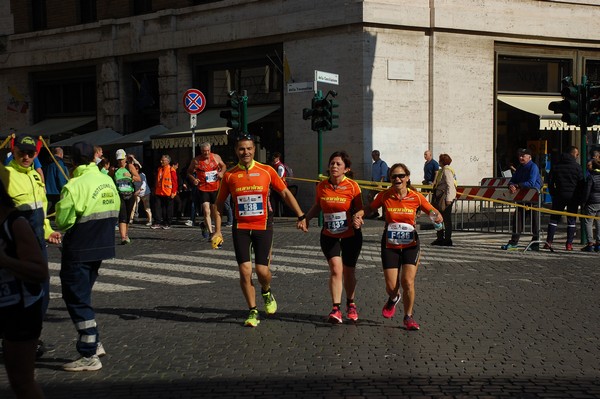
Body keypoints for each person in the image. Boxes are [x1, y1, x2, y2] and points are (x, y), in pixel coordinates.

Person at [211, 134, 307, 327]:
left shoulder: (267, 171)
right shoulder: (230, 175)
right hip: (241, 228)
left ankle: (266, 290)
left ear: (254, 150)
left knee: (262, 271)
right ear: (236, 151)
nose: (245, 152)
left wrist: (301, 215)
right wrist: (218, 231)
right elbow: (219, 204)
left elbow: (285, 193)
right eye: (241, 149)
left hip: (263, 226)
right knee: (245, 271)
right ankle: (253, 310)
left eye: (248, 148)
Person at [55, 141, 120, 372]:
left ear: (71, 161)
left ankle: (89, 353)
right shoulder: (106, 180)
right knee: (83, 295)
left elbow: (63, 221)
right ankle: (95, 342)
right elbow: (116, 209)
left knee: (75, 298)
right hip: (102, 247)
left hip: (79, 248)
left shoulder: (74, 185)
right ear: (94, 157)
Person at [353, 163, 442, 331]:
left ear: (407, 178)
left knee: (407, 281)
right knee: (391, 286)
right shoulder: (385, 196)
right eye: (394, 176)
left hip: (410, 244)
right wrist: (359, 214)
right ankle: (394, 297)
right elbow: (370, 208)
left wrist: (437, 217)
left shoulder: (416, 197)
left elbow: (433, 212)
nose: (398, 179)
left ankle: (408, 317)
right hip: (390, 244)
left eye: (401, 176)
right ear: (390, 179)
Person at [0, 134, 61, 359]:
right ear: (13, 151)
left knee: (41, 294)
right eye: (21, 152)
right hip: (13, 246)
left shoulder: (36, 177)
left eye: (30, 153)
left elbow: (41, 212)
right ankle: (19, 339)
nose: (26, 157)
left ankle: (31, 336)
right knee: (18, 296)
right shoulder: (5, 175)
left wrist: (48, 231)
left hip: (37, 245)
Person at [0, 170, 48, 398]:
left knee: (21, 382)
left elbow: (40, 272)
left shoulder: (14, 223)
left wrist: (5, 261)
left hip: (20, 308)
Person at [304, 151, 363, 323]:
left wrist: (358, 217)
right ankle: (335, 308)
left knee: (349, 271)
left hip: (351, 234)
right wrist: (306, 219)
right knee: (336, 269)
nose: (334, 167)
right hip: (329, 233)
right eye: (332, 164)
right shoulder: (322, 186)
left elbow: (361, 208)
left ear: (346, 168)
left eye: (338, 164)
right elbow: (317, 205)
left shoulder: (352, 186)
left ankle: (351, 303)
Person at [501, 148, 543, 250]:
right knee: (517, 220)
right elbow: (513, 180)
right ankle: (514, 242)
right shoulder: (520, 167)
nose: (521, 157)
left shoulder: (533, 167)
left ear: (529, 157)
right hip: (522, 198)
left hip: (533, 198)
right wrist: (511, 185)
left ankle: (535, 243)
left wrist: (517, 185)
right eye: (519, 155)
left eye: (523, 156)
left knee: (535, 221)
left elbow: (531, 183)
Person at [544, 146, 584, 251]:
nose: (578, 156)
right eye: (577, 154)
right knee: (572, 220)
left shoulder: (556, 166)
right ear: (573, 154)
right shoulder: (577, 167)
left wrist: (553, 193)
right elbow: (581, 183)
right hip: (573, 197)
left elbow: (550, 182)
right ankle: (569, 244)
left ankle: (549, 242)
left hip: (559, 195)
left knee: (554, 219)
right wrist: (579, 197)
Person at [187, 142, 227, 239]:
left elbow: (224, 166)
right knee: (206, 210)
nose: (206, 153)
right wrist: (194, 179)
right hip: (203, 188)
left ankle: (204, 225)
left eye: (208, 151)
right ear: (201, 151)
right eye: (204, 151)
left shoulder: (216, 157)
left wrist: (221, 173)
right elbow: (189, 172)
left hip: (215, 187)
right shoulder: (196, 160)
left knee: (214, 211)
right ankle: (211, 233)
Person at [113, 148, 140, 244]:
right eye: (118, 159)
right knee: (122, 216)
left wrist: (130, 176)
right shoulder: (115, 169)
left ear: (125, 158)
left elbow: (138, 178)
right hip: (120, 195)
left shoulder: (130, 167)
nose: (120, 161)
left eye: (122, 159)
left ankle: (126, 234)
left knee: (128, 216)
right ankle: (123, 237)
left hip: (130, 194)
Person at [430, 153, 457, 246]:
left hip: (444, 198)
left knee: (445, 219)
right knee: (438, 218)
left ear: (442, 161)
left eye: (439, 160)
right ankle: (440, 238)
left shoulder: (446, 171)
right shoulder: (444, 170)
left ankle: (447, 239)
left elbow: (450, 185)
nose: (438, 161)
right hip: (441, 197)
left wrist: (449, 199)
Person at [151, 154, 178, 230]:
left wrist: (173, 192)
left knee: (168, 209)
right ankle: (158, 222)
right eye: (161, 160)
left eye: (163, 160)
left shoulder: (171, 170)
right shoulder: (159, 169)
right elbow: (157, 180)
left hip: (168, 192)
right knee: (158, 208)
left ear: (168, 161)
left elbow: (175, 182)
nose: (161, 161)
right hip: (159, 192)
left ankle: (167, 223)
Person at [581, 159, 600, 252]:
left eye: (589, 165)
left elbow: (587, 191)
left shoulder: (591, 177)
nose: (587, 167)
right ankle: (599, 242)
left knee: (588, 222)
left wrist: (583, 202)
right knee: (599, 222)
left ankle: (590, 243)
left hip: (592, 202)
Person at [44, 146, 69, 214]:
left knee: (48, 210)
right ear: (61, 154)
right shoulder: (59, 163)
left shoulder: (47, 162)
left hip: (48, 190)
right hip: (57, 191)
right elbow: (61, 177)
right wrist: (64, 188)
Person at [368, 150, 389, 219]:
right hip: (375, 183)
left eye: (374, 156)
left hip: (382, 184)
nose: (373, 157)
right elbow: (373, 174)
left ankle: (384, 215)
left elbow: (384, 174)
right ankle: (375, 211)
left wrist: (380, 183)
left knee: (383, 199)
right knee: (369, 196)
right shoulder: (374, 164)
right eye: (372, 156)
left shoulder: (382, 164)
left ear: (378, 155)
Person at [270, 152, 287, 217]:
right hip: (276, 186)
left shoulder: (280, 166)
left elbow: (279, 177)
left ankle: (277, 214)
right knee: (275, 201)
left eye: (274, 158)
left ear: (278, 158)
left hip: (280, 186)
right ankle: (276, 214)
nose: (273, 159)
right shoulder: (274, 165)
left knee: (275, 201)